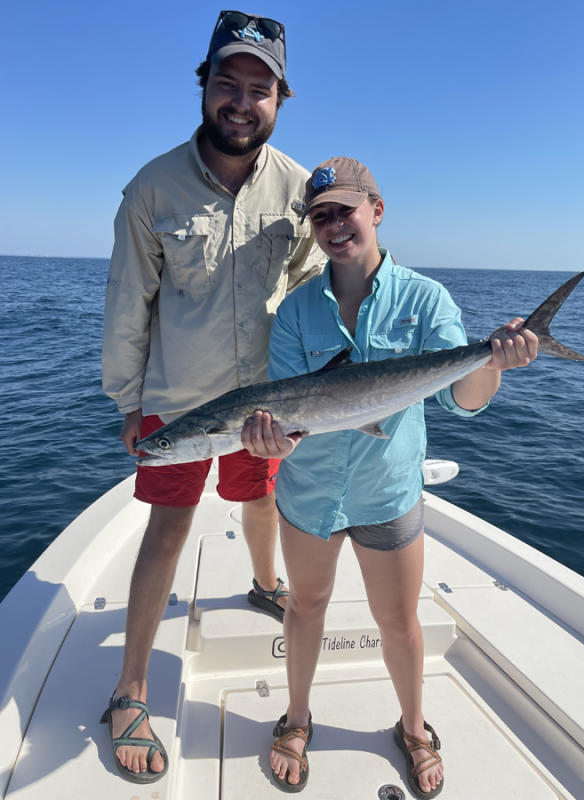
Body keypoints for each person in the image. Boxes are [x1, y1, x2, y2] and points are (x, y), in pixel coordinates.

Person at [241, 157, 539, 796]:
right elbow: (290, 422)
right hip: (311, 493)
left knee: (399, 620)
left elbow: (464, 398)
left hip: (388, 492)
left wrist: (496, 362)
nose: (333, 226)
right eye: (320, 216)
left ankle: (412, 730)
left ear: (376, 210)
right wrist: (274, 443)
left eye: (344, 210)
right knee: (305, 606)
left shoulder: (426, 299)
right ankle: (297, 718)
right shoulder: (296, 312)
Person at [101, 10, 325, 783]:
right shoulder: (151, 188)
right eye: (226, 82)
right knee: (169, 527)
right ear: (204, 86)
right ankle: (130, 687)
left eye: (258, 88)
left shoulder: (301, 187)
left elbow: (310, 290)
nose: (241, 100)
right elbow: (129, 304)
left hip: (268, 401)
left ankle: (264, 584)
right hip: (177, 400)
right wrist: (129, 402)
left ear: (280, 99)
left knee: (259, 499)